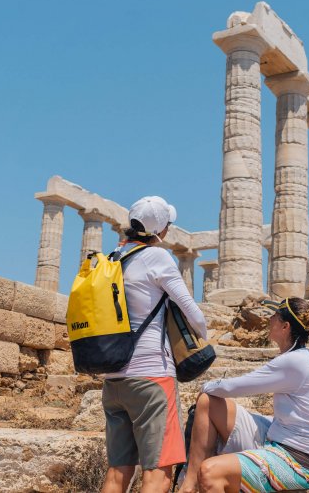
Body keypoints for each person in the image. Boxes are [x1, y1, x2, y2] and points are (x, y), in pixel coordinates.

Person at [101, 195, 208, 493]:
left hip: (113, 380)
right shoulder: (157, 257)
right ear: (160, 230)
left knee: (117, 473)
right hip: (151, 378)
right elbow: (191, 310)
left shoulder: (113, 256)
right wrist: (205, 336)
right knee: (159, 471)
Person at [178, 298, 309, 493]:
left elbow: (234, 387)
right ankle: (189, 485)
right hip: (277, 440)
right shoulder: (297, 358)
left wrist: (205, 384)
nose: (269, 319)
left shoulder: (295, 362)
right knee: (208, 402)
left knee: (210, 472)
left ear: (285, 326)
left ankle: (196, 483)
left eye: (275, 316)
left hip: (298, 464)